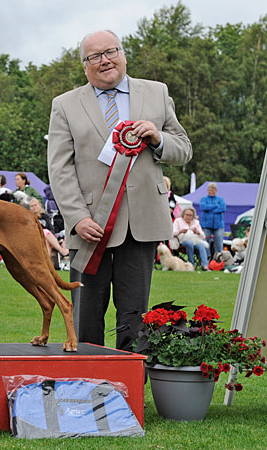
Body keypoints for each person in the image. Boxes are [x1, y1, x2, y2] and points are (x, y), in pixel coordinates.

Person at [47, 30, 192, 352]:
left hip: (142, 223)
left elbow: (183, 150)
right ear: (84, 66)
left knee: (135, 314)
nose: (105, 61)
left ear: (123, 54)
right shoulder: (65, 105)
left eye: (110, 52)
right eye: (94, 57)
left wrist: (158, 138)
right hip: (89, 226)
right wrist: (77, 217)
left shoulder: (157, 92)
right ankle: (85, 384)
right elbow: (59, 168)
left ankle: (128, 389)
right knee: (86, 313)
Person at [173, 206, 209, 271]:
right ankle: (192, 265)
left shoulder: (196, 222)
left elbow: (203, 236)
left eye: (190, 215)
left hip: (195, 240)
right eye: (187, 215)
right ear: (183, 214)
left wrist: (197, 232)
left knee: (201, 245)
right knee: (189, 243)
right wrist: (180, 231)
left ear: (193, 216)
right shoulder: (178, 221)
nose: (188, 217)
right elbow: (173, 233)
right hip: (182, 241)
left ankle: (205, 265)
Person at [200, 182, 226, 255]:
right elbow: (203, 207)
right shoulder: (203, 199)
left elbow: (223, 208)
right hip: (206, 225)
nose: (211, 191)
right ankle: (207, 259)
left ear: (216, 191)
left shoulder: (220, 199)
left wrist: (209, 210)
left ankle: (218, 260)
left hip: (219, 225)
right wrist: (216, 206)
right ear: (207, 190)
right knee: (206, 243)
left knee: (219, 244)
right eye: (210, 190)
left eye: (213, 190)